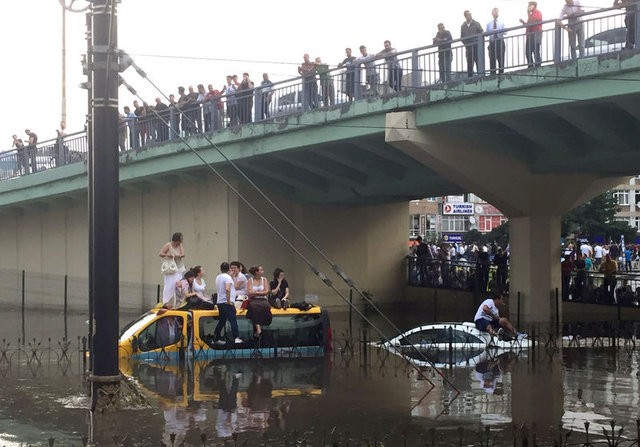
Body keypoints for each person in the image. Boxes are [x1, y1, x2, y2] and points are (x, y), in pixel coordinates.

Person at [213, 262, 243, 344]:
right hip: (226, 302)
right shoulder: (228, 278)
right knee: (233, 320)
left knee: (222, 321)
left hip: (220, 302)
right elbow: (227, 289)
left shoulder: (218, 277)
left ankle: (215, 338)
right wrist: (229, 301)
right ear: (229, 268)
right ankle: (236, 337)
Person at [158, 232, 186, 308]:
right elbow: (160, 253)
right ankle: (166, 303)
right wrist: (168, 255)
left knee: (178, 285)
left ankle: (177, 303)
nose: (181, 242)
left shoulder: (180, 245)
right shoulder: (168, 245)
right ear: (176, 240)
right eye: (180, 240)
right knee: (169, 286)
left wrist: (178, 255)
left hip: (179, 267)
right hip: (171, 268)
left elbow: (183, 254)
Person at [246, 265, 272, 339]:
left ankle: (262, 326)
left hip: (263, 299)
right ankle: (258, 328)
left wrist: (256, 292)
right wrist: (260, 292)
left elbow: (266, 291)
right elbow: (249, 292)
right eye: (261, 270)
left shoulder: (264, 280)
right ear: (256, 272)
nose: (262, 271)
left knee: (266, 306)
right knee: (253, 308)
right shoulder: (250, 280)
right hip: (253, 300)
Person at [460, 10, 484, 77]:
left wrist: (478, 43)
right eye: (467, 15)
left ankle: (480, 77)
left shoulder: (476, 23)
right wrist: (466, 44)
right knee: (469, 63)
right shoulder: (463, 26)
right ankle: (470, 78)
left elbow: (482, 33)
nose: (469, 16)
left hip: (476, 46)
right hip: (468, 47)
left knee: (478, 61)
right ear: (465, 16)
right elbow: (462, 37)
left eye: (470, 14)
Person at [520, 1, 543, 68]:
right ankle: (530, 66)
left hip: (536, 33)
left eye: (530, 5)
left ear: (533, 6)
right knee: (528, 52)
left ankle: (537, 65)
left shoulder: (537, 12)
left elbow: (533, 21)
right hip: (530, 35)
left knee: (536, 50)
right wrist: (523, 22)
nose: (528, 7)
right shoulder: (531, 14)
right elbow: (529, 25)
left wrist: (528, 13)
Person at [486, 8, 506, 75]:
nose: (495, 13)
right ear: (492, 14)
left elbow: (505, 32)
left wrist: (498, 31)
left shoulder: (502, 23)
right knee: (492, 60)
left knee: (501, 59)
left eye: (496, 12)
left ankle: (501, 73)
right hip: (492, 43)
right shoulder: (489, 24)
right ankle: (493, 74)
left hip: (500, 42)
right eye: (494, 12)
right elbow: (486, 33)